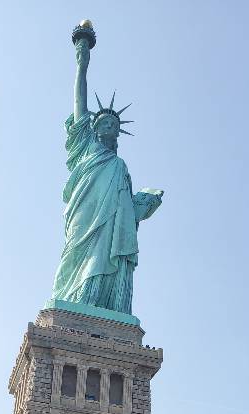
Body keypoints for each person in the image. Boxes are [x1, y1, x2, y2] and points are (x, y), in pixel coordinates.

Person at [50, 30, 163, 315]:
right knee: (75, 254)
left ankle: (106, 306)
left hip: (112, 226)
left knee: (108, 256)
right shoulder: (85, 148)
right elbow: (80, 103)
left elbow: (126, 211)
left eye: (114, 124)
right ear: (94, 128)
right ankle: (75, 302)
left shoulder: (120, 167)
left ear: (118, 134)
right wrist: (82, 64)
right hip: (85, 215)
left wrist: (141, 204)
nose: (109, 126)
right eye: (104, 122)